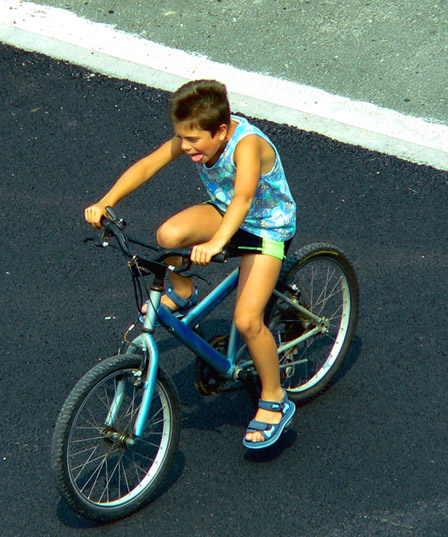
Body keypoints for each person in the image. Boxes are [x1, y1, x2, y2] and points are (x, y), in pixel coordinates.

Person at [84, 79, 297, 449]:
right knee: (169, 236)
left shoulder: (246, 146)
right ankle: (184, 290)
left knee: (247, 319)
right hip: (224, 212)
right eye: (181, 138)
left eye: (194, 140)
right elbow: (150, 164)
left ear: (220, 130)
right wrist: (106, 201)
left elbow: (245, 198)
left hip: (266, 229)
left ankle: (275, 399)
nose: (185, 147)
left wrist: (216, 243)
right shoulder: (197, 135)